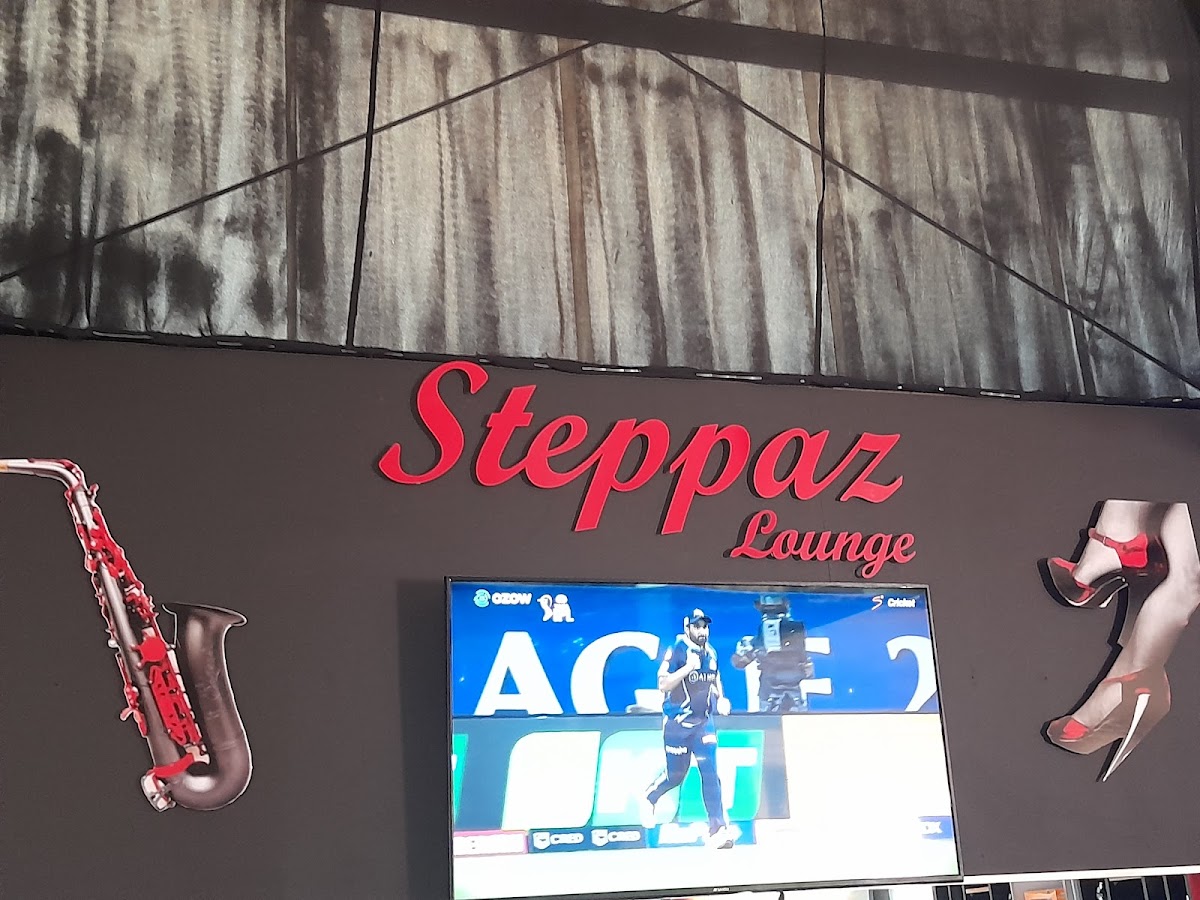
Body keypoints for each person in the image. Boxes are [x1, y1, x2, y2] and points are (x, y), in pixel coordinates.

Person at [638, 608, 733, 849]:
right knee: (676, 776)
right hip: (677, 723)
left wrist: (721, 697)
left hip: (704, 723)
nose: (702, 631)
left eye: (705, 626)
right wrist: (687, 668)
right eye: (697, 626)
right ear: (687, 627)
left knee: (710, 773)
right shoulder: (677, 649)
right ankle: (650, 797)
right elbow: (663, 684)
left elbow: (714, 677)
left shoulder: (711, 652)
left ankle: (717, 830)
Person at [730, 595, 814, 712]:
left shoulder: (796, 634)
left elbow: (808, 671)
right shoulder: (756, 641)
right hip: (773, 696)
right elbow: (739, 663)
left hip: (788, 695)